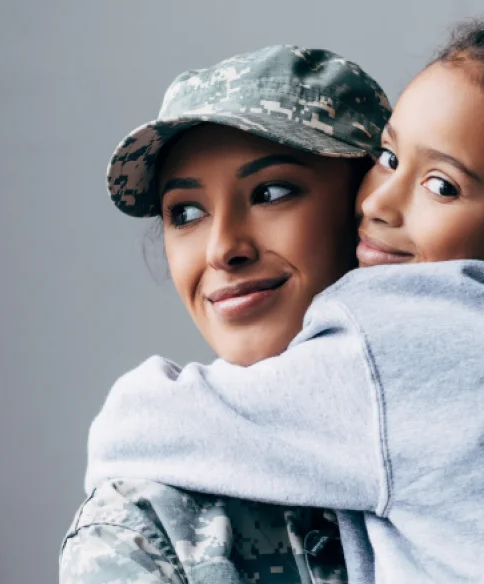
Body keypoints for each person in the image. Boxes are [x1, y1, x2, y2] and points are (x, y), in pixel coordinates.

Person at [85, 1, 484, 582]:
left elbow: (142, 423)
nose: (380, 203)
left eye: (441, 186)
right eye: (390, 160)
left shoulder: (409, 346)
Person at [60, 44, 390, 583]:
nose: (222, 248)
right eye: (185, 213)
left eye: (272, 192)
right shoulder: (143, 524)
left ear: (374, 205)